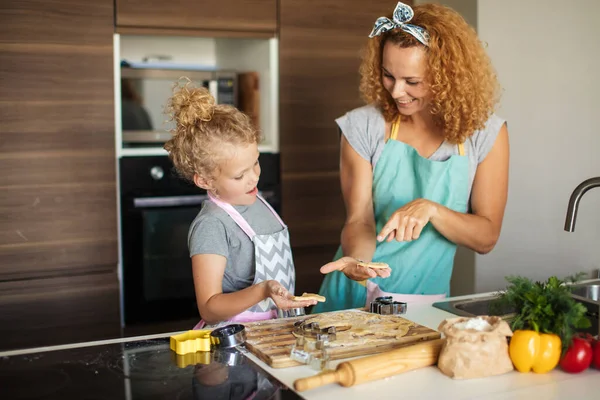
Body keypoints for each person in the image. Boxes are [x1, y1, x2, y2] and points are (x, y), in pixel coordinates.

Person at [313, 2, 509, 313]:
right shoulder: (363, 126)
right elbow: (359, 220)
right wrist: (361, 264)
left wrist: (432, 210)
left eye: (412, 81)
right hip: (352, 298)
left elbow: (486, 237)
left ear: (447, 78)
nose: (396, 91)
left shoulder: (485, 134)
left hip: (424, 304)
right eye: (388, 75)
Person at [164, 79, 317, 328]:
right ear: (205, 180)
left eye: (255, 163)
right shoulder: (212, 225)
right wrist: (262, 291)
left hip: (277, 330)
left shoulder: (256, 200)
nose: (254, 177)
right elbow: (209, 307)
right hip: (236, 339)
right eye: (239, 175)